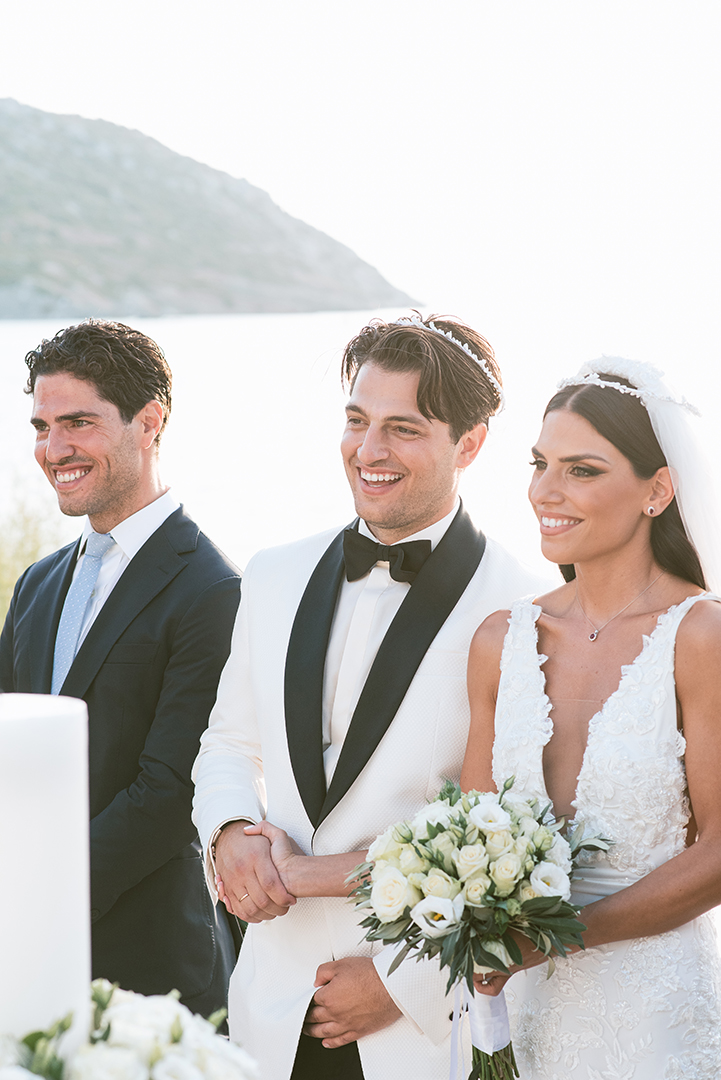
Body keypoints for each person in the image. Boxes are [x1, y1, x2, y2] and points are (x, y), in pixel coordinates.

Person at [191, 313, 551, 1080]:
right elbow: (229, 742)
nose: (368, 450)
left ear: (470, 443)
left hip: (417, 1031)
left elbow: (519, 835)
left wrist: (402, 984)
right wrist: (227, 833)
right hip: (270, 1009)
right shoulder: (273, 573)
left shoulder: (523, 606)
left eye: (402, 428)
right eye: (356, 421)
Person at [461, 357, 721, 1077]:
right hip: (523, 1011)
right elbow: (470, 835)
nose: (545, 491)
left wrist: (557, 935)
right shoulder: (499, 641)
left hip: (655, 1021)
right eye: (539, 463)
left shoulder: (701, 637)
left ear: (656, 491)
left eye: (581, 470)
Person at [0, 320, 241, 1016]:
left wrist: (36, 892)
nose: (54, 449)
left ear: (149, 422)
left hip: (151, 970)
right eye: (42, 427)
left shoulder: (212, 589)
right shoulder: (39, 583)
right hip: (27, 959)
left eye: (78, 423)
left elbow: (166, 793)